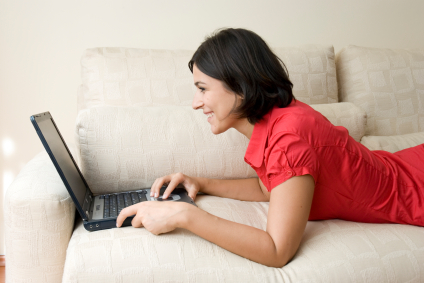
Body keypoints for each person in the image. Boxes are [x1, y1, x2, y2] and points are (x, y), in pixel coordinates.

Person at [116, 28, 424, 268]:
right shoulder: (276, 123)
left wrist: (184, 216)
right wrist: (201, 184)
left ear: (239, 83)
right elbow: (270, 189)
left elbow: (277, 251)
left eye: (202, 89)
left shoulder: (289, 137)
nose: (196, 103)